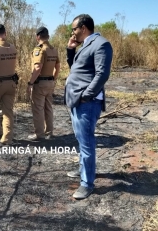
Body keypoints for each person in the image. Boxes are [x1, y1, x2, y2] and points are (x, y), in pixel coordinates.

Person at [65, 14, 113, 199]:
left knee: (86, 141)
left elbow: (102, 74)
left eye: (74, 29)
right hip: (77, 100)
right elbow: (75, 68)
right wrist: (70, 50)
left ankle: (87, 183)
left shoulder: (101, 44)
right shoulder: (85, 45)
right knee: (81, 139)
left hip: (87, 102)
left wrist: (86, 95)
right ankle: (84, 170)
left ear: (83, 28)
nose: (73, 33)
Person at [27, 27, 60, 140]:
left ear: (38, 37)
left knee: (38, 109)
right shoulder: (53, 50)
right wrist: (53, 79)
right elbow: (58, 66)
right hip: (50, 82)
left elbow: (37, 68)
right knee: (48, 108)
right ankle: (49, 132)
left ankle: (39, 134)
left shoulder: (40, 50)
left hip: (40, 83)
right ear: (48, 36)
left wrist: (30, 83)